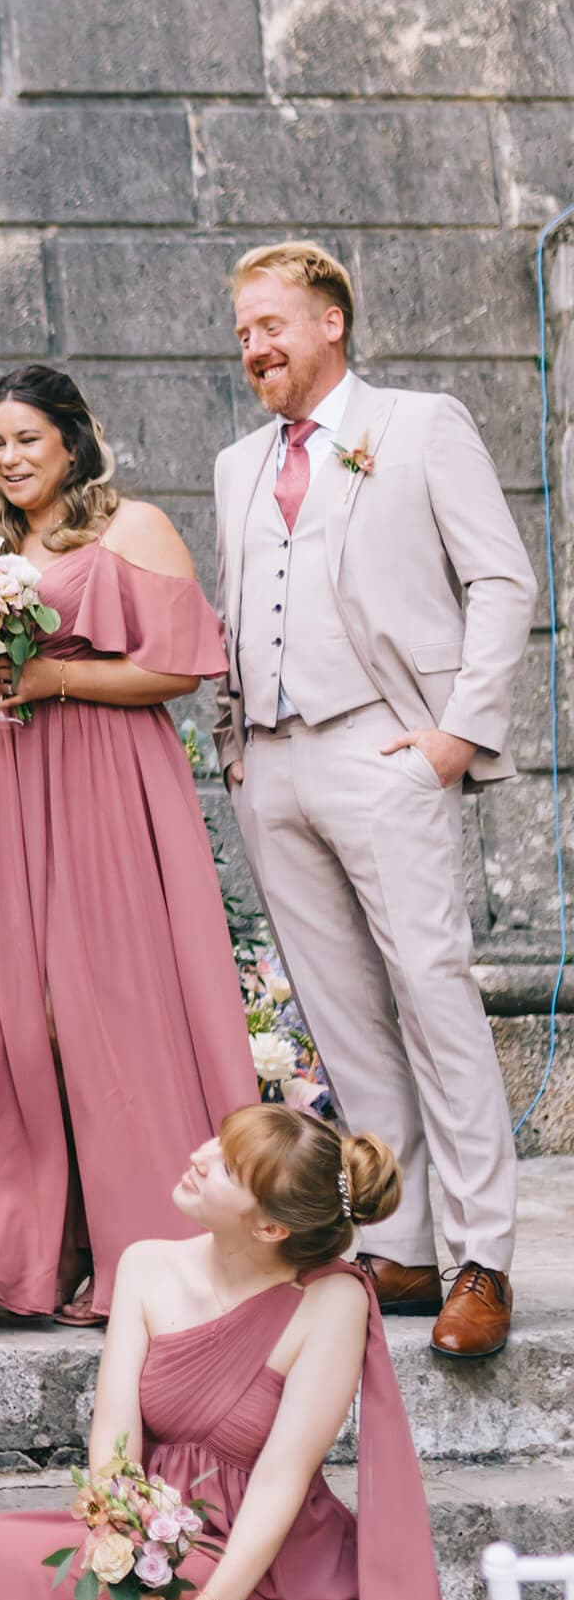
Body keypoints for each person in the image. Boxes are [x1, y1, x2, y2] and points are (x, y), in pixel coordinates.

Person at [0, 1105, 480, 1600]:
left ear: (270, 1226)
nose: (199, 1155)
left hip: (268, 1565)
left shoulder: (331, 1301)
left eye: (226, 1166)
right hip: (155, 1527)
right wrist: (127, 1553)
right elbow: (115, 1433)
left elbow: (282, 1477)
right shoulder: (144, 1265)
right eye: (219, 1139)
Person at [0, 366, 254, 1325]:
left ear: (72, 444)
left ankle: (141, 1244)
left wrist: (57, 680)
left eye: (26, 441)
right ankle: (34, 1235)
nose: (8, 460)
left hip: (100, 787)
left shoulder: (133, 529)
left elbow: (176, 670)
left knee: (102, 1007)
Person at [216, 242, 536, 1359]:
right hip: (273, 762)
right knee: (341, 1014)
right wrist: (232, 748)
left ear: (329, 321)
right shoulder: (235, 464)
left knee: (431, 988)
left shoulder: (417, 422)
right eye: (243, 331)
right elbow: (234, 610)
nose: (253, 346)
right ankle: (395, 1239)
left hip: (382, 742)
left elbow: (502, 577)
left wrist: (455, 729)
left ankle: (479, 1255)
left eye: (271, 324)